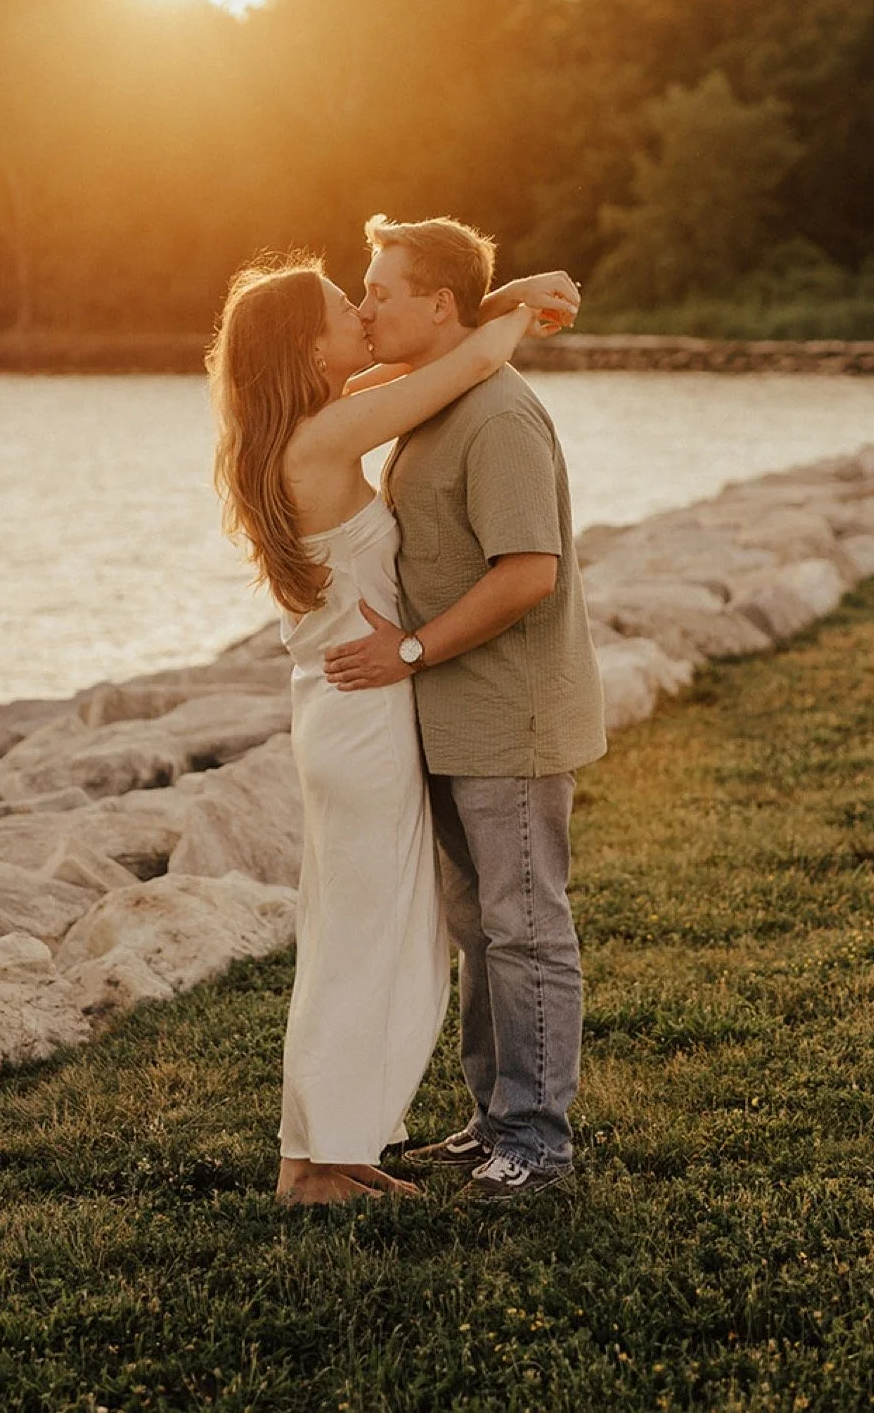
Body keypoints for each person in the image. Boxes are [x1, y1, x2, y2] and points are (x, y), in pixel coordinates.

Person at [208, 250, 578, 1206]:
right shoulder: (325, 439)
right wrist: (527, 300)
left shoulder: (300, 427)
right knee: (362, 946)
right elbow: (461, 365)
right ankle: (316, 1166)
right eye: (344, 308)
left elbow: (438, 350)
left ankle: (324, 1154)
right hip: (366, 716)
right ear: (307, 343)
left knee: (348, 937)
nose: (361, 318)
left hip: (339, 713)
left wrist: (499, 300)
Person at [323, 215, 606, 1203]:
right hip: (449, 717)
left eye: (380, 291)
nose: (364, 308)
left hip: (509, 720)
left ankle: (536, 1143)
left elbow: (529, 572)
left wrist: (407, 650)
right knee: (482, 929)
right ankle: (493, 1119)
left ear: (438, 305)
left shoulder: (497, 416)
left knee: (525, 928)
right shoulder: (436, 398)